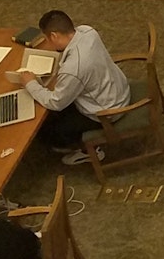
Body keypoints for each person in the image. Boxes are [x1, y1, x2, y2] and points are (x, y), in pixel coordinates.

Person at [18, 10, 130, 164]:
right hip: (117, 90)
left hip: (105, 111)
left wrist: (30, 83)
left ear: (54, 36)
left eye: (47, 38)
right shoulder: (88, 31)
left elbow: (56, 102)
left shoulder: (73, 68)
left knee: (45, 130)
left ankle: (87, 151)